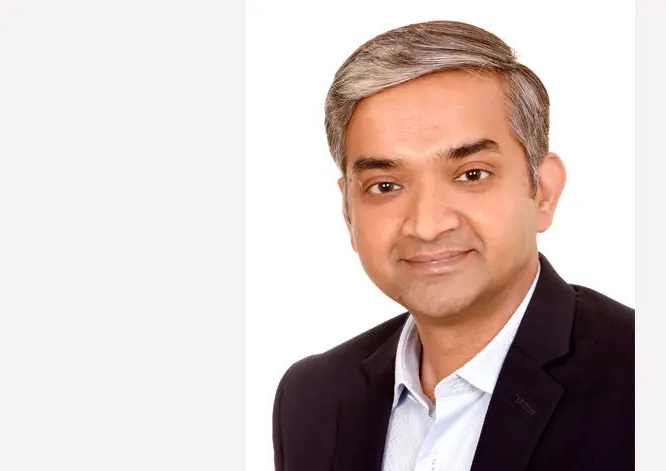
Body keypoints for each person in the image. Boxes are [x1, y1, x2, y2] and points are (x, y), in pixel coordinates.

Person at [272, 20, 634, 471]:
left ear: (543, 191)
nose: (427, 226)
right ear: (348, 211)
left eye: (471, 175)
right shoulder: (313, 400)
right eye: (385, 185)